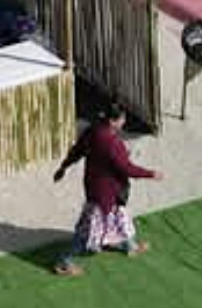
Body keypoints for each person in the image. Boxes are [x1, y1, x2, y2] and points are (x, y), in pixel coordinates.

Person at [53, 102, 159, 275]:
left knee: (120, 217)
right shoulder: (112, 143)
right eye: (122, 118)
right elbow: (127, 168)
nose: (124, 121)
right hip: (105, 193)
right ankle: (64, 261)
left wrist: (63, 167)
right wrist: (151, 174)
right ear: (113, 121)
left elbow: (77, 150)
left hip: (99, 188)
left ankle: (129, 245)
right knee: (87, 234)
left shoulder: (93, 130)